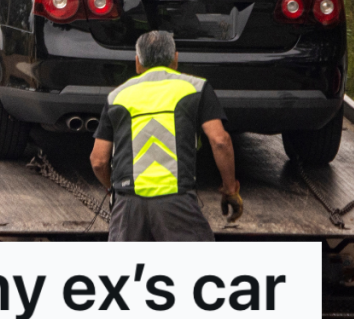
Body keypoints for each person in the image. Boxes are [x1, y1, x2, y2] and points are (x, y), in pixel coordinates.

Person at [90, 30, 243, 241]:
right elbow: (220, 141)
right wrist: (229, 189)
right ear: (175, 60)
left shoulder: (117, 96)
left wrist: (112, 190)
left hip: (128, 205)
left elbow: (98, 161)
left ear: (137, 63)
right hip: (177, 202)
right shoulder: (196, 88)